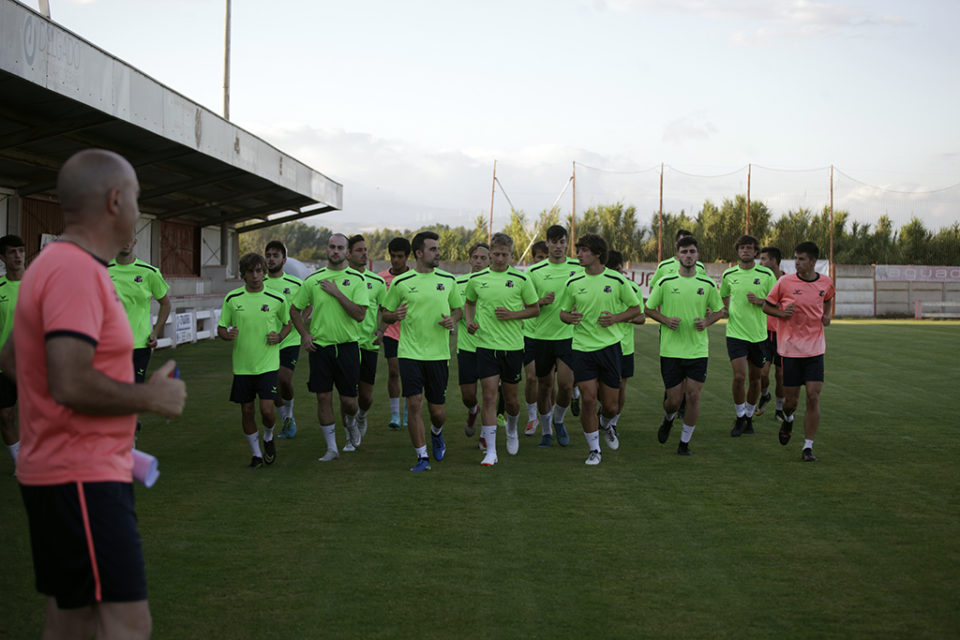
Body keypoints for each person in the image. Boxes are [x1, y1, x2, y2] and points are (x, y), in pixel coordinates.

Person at [1, 148, 186, 639]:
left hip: (65, 470)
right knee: (127, 624)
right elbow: (70, 380)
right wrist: (149, 398)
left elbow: (13, 360)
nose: (139, 211)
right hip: (80, 475)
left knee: (72, 621)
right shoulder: (75, 271)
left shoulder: (53, 264)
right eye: (137, 198)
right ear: (115, 200)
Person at [381, 231, 462, 472]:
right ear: (419, 253)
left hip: (438, 355)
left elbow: (458, 309)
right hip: (410, 353)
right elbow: (385, 313)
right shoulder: (401, 282)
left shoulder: (448, 280)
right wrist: (394, 315)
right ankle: (422, 457)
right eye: (433, 249)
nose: (438, 253)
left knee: (437, 411)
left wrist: (453, 320)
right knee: (414, 403)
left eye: (438, 249)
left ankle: (436, 432)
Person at [558, 233, 642, 465]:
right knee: (588, 399)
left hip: (610, 349)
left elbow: (636, 309)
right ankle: (594, 450)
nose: (579, 254)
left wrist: (615, 318)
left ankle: (606, 425)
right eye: (579, 250)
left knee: (611, 406)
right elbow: (563, 313)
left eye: (584, 250)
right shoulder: (573, 282)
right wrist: (569, 317)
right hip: (582, 349)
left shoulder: (616, 280)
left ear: (597, 254)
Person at [290, 233, 368, 462]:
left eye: (340, 247)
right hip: (320, 348)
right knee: (323, 397)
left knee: (349, 402)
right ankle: (332, 448)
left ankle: (351, 422)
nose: (335, 251)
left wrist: (336, 293)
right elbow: (295, 310)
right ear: (326, 249)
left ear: (347, 252)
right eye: (332, 247)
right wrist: (305, 335)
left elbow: (360, 314)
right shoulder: (313, 280)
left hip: (347, 347)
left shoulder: (357, 279)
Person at [644, 236, 724, 456]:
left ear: (698, 255)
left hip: (697, 350)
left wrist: (706, 322)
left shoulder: (707, 284)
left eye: (692, 252)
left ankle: (684, 443)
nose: (688, 256)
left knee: (694, 396)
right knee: (674, 400)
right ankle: (668, 418)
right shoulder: (665, 282)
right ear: (677, 255)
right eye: (684, 252)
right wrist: (665, 320)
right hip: (671, 350)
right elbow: (648, 309)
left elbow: (720, 311)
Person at [464, 233, 539, 466]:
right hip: (486, 346)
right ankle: (491, 451)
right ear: (490, 254)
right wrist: (470, 321)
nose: (499, 258)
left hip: (513, 348)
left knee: (512, 400)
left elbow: (535, 309)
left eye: (504, 255)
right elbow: (469, 302)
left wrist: (512, 315)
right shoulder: (477, 279)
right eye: (495, 254)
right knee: (488, 397)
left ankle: (512, 429)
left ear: (511, 255)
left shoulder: (521, 279)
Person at [763, 241, 834, 462]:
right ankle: (788, 419)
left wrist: (827, 315)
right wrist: (782, 314)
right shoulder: (785, 282)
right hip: (790, 350)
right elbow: (766, 306)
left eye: (801, 259)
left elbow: (828, 298)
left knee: (813, 396)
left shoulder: (825, 282)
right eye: (795, 258)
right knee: (791, 402)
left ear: (813, 261)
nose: (797, 262)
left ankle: (808, 447)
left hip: (815, 350)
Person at [218, 253, 291, 468]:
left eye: (259, 271)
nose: (256, 276)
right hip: (243, 367)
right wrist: (227, 334)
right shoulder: (232, 299)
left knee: (267, 411)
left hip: (268, 365)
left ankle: (268, 436)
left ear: (264, 272)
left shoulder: (277, 298)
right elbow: (221, 327)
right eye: (251, 272)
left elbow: (287, 323)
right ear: (243, 274)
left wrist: (280, 336)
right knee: (247, 410)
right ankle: (256, 454)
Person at [524, 224, 583, 447]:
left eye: (562, 242)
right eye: (554, 242)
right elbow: (524, 303)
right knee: (545, 386)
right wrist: (540, 302)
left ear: (566, 243)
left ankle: (558, 421)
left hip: (568, 335)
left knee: (566, 385)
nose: (558, 246)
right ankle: (547, 430)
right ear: (547, 243)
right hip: (542, 336)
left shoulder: (578, 267)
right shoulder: (534, 272)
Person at [108, 235, 171, 436]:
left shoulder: (149, 272)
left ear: (134, 241)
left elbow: (165, 304)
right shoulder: (102, 271)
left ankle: (129, 437)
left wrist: (155, 332)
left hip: (139, 346)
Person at [720, 235, 777, 437]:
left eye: (749, 248)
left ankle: (749, 417)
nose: (745, 250)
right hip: (735, 334)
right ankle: (740, 417)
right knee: (739, 377)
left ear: (755, 252)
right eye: (742, 247)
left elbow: (776, 301)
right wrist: (725, 310)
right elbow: (723, 297)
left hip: (759, 336)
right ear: (738, 251)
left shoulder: (766, 274)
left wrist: (760, 301)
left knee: (756, 379)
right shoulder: (728, 274)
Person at [346, 234, 387, 445]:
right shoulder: (340, 279)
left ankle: (361, 416)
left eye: (365, 250)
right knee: (347, 396)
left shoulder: (377, 282)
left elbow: (386, 310)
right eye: (359, 250)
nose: (364, 254)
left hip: (368, 344)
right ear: (348, 254)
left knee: (366, 397)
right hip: (346, 343)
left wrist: (381, 330)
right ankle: (349, 434)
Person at [263, 240, 304, 439]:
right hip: (267, 341)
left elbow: (309, 304)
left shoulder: (296, 284)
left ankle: (289, 414)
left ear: (284, 260)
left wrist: (301, 321)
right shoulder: (259, 283)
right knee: (273, 385)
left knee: (284, 379)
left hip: (290, 339)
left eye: (275, 255)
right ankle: (287, 419)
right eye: (268, 255)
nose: (271, 259)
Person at [605, 250, 646, 435]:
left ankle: (613, 423)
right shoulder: (601, 286)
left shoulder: (633, 288)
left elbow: (641, 317)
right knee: (599, 388)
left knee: (621, 387)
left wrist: (621, 318)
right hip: (602, 345)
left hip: (624, 347)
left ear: (621, 268)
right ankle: (603, 414)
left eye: (616, 269)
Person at [455, 242, 490, 441]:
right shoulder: (458, 283)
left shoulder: (495, 283)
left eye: (483, 258)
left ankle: (486, 436)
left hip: (490, 346)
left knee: (489, 395)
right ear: (469, 259)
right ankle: (473, 410)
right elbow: (454, 309)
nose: (478, 261)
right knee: (468, 396)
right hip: (466, 347)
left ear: (490, 260)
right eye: (475, 257)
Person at [379, 237, 411, 430]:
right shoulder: (381, 278)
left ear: (407, 257)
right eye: (393, 256)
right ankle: (395, 415)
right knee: (394, 371)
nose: (396, 260)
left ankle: (408, 412)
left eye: (400, 256)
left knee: (409, 373)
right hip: (390, 331)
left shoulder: (414, 277)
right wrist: (380, 329)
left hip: (410, 333)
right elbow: (381, 308)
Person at [0, 235, 24, 466]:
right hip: (4, 365)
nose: (18, 256)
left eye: (21, 251)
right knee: (5, 416)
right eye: (12, 252)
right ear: (2, 257)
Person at [522, 240, 549, 435]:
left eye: (546, 257)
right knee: (531, 378)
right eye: (540, 257)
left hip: (551, 335)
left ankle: (550, 420)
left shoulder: (560, 274)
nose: (543, 260)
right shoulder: (528, 276)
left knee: (549, 384)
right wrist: (541, 301)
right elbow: (522, 302)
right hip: (530, 332)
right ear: (533, 259)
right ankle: (532, 418)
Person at [757, 246, 786, 421]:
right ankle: (765, 394)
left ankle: (779, 409)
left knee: (780, 375)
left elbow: (786, 305)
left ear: (774, 261)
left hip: (782, 334)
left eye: (763, 259)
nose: (760, 262)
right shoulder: (760, 279)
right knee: (762, 372)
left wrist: (760, 301)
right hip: (764, 333)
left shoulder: (787, 281)